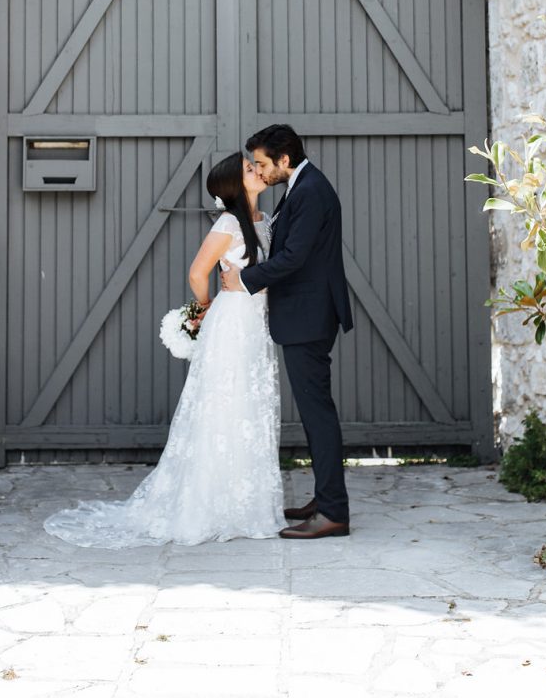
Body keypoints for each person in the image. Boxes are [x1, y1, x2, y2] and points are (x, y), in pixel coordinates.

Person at [43, 152, 285, 549]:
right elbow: (197, 270)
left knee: (250, 406)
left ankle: (246, 504)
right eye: (248, 169)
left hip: (255, 324)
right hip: (232, 322)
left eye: (254, 166)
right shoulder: (228, 223)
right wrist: (205, 307)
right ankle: (205, 506)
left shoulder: (263, 221)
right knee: (223, 405)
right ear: (234, 185)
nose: (256, 171)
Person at [221, 123, 353, 540]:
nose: (259, 172)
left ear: (284, 159)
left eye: (262, 163)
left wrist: (244, 280)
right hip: (303, 314)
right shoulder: (299, 186)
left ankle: (333, 512)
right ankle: (324, 497)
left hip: (309, 317)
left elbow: (294, 256)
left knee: (318, 414)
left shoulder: (311, 189)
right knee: (316, 412)